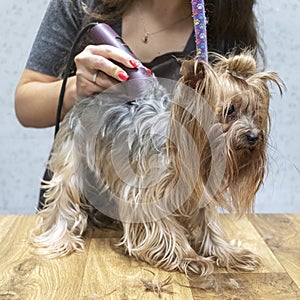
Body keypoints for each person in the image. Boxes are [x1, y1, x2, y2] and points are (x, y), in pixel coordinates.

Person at [14, 0, 263, 212]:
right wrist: (76, 88)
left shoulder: (225, 21)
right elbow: (25, 106)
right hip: (74, 211)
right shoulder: (83, 4)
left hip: (167, 225)